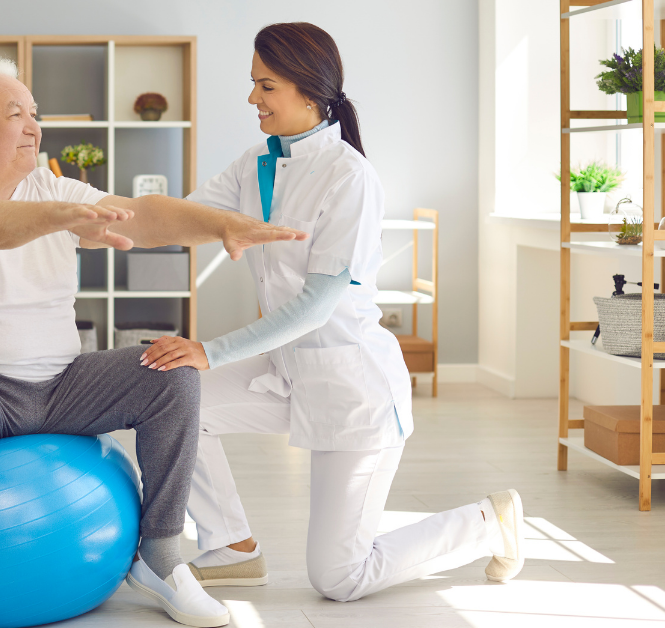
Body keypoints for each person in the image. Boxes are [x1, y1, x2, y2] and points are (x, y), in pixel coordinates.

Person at [0, 57, 307, 628]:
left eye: (35, 114)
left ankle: (160, 558)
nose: (35, 127)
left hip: (58, 387)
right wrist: (60, 216)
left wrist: (220, 225)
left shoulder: (53, 186)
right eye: (16, 115)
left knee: (171, 365)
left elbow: (144, 216)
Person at [138, 22, 526, 603]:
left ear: (309, 92)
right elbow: (176, 217)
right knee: (171, 400)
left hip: (353, 390)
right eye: (254, 84)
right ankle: (233, 546)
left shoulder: (350, 177)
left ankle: (488, 523)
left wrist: (208, 350)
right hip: (287, 374)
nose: (252, 100)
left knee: (339, 578)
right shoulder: (255, 165)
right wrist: (82, 214)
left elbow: (316, 307)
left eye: (265, 87)